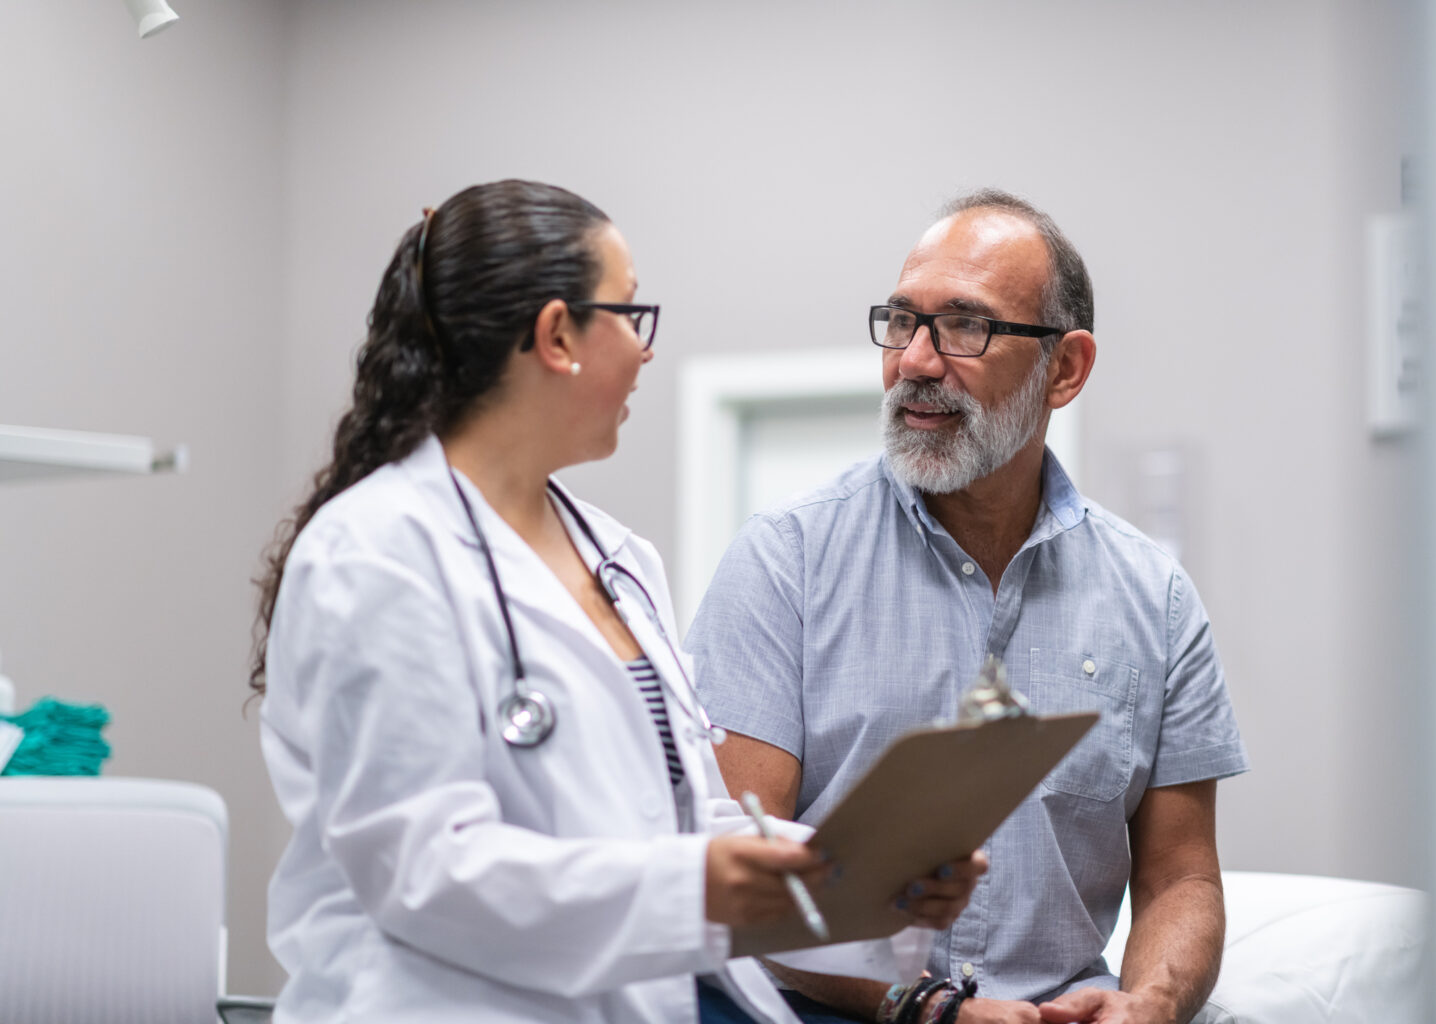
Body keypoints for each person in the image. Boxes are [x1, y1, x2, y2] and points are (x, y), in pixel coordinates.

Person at [248, 179, 985, 1024]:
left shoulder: (618, 559)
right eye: (631, 315)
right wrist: (693, 887)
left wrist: (864, 875)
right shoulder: (375, 552)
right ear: (557, 335)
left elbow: (676, 817)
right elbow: (423, 870)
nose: (645, 350)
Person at [687, 188, 1249, 1024]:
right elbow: (737, 880)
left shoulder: (1154, 599)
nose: (915, 359)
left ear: (1066, 368)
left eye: (964, 326)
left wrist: (1152, 1004)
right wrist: (928, 1010)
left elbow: (1181, 876)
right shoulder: (785, 562)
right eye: (901, 321)